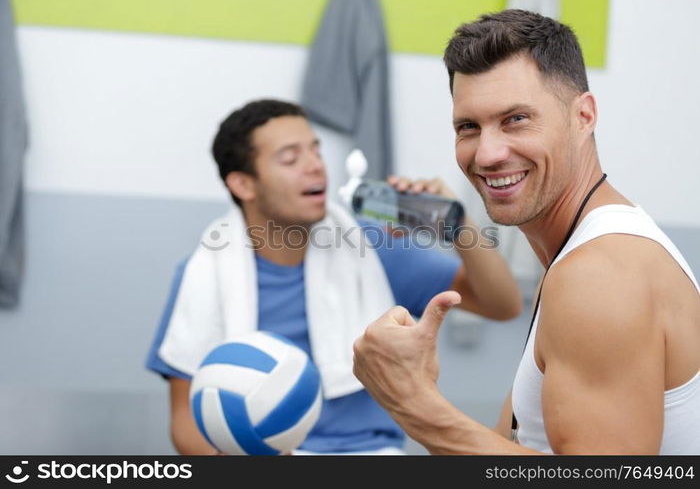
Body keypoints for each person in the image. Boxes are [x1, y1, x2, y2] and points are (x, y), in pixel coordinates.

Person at [352, 9, 700, 454]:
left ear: (584, 115)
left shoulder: (599, 275)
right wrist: (419, 398)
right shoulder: (576, 257)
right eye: (469, 127)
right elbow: (510, 448)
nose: (488, 153)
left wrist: (413, 404)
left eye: (516, 119)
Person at [145, 99, 523, 455]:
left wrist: (458, 223)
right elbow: (187, 424)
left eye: (316, 150)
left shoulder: (369, 247)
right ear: (243, 184)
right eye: (291, 158)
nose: (315, 166)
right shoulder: (205, 274)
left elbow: (502, 304)